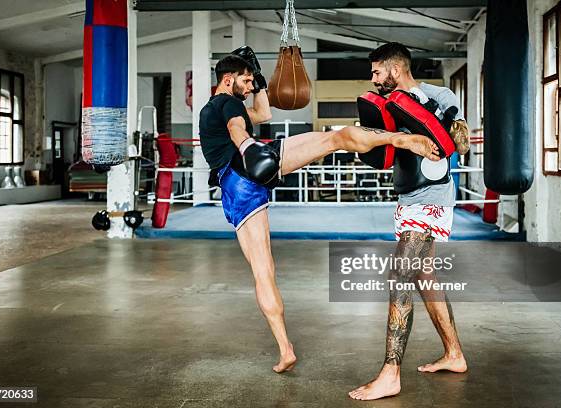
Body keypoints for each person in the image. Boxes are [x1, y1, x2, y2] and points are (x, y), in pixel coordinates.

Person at [199, 47, 441, 373]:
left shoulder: (212, 108)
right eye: (244, 80)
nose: (248, 86)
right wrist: (247, 147)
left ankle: (285, 350)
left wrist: (258, 82)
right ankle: (399, 138)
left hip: (239, 180)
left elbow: (264, 114)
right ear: (227, 79)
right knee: (335, 139)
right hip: (248, 165)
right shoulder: (228, 104)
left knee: (262, 271)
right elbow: (237, 129)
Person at [349, 42, 470, 401]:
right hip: (407, 198)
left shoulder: (439, 94)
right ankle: (454, 354)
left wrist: (433, 113)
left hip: (431, 197)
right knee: (423, 275)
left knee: (400, 273)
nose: (372, 79)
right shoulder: (386, 105)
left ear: (395, 69)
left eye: (376, 72)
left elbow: (459, 144)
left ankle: (390, 374)